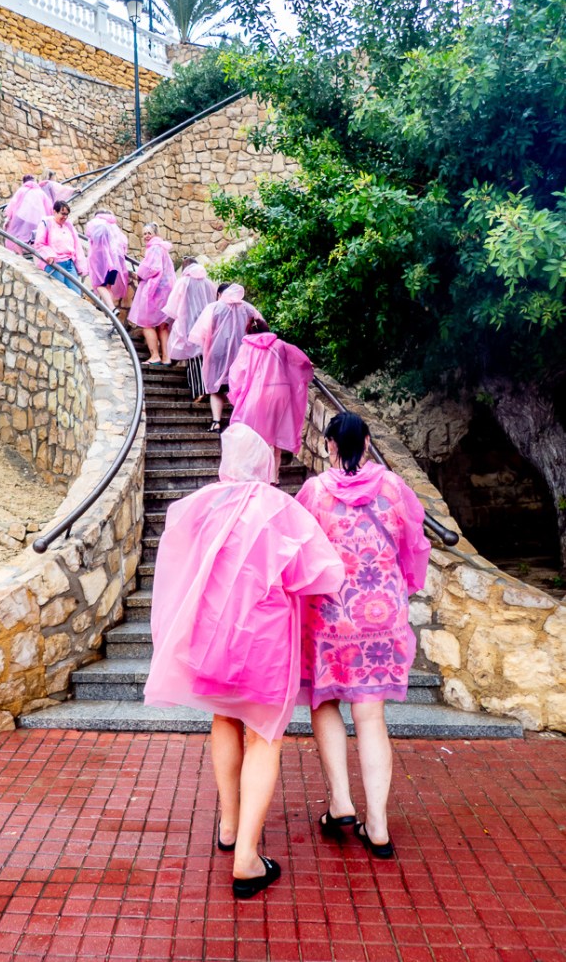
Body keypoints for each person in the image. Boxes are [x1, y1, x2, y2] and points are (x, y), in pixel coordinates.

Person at [144, 423, 345, 899]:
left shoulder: (201, 505)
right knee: (264, 739)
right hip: (265, 642)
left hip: (211, 637)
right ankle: (247, 859)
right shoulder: (278, 508)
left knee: (223, 719)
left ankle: (230, 826)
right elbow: (318, 573)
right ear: (265, 460)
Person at [296, 411, 431, 859]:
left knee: (325, 702)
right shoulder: (394, 487)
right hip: (382, 615)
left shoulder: (315, 492)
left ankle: (340, 804)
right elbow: (415, 545)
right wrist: (399, 587)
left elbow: (299, 551)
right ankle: (377, 825)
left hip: (331, 615)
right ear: (368, 442)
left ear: (330, 446)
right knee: (371, 717)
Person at [228, 319, 314, 481]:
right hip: (281, 392)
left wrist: (237, 394)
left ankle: (257, 476)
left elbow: (237, 374)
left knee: (254, 435)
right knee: (275, 434)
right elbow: (302, 361)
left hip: (257, 393)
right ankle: (273, 478)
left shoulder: (246, 347)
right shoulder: (280, 344)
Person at [188, 282, 261, 433]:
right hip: (242, 354)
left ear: (220, 294)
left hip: (217, 353)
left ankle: (216, 422)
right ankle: (241, 423)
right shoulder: (248, 308)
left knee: (216, 388)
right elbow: (261, 328)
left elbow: (201, 332)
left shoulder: (214, 307)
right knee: (241, 388)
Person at [163, 257, 217, 400]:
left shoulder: (183, 282)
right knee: (204, 354)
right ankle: (209, 387)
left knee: (193, 356)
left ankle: (199, 390)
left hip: (188, 322)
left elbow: (173, 306)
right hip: (207, 322)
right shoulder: (209, 283)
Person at [128, 222, 176, 366]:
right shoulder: (162, 248)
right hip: (166, 291)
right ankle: (166, 357)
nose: (146, 236)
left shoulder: (154, 248)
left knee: (147, 323)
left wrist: (139, 274)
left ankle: (155, 355)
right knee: (162, 325)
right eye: (144, 234)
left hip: (155, 291)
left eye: (149, 233)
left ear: (155, 234)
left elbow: (153, 268)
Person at [33, 200, 88, 293]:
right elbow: (39, 243)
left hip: (69, 262)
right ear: (55, 212)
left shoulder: (68, 225)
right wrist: (49, 255)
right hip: (55, 263)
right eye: (62, 214)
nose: (65, 217)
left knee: (76, 292)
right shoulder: (46, 223)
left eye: (67, 214)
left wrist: (81, 265)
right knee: (61, 292)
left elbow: (77, 245)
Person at [85, 211, 129, 313]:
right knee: (108, 287)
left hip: (101, 259)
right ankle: (111, 313)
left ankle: (112, 309)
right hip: (115, 262)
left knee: (99, 285)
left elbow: (89, 234)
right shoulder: (114, 226)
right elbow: (124, 242)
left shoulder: (96, 222)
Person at [3, 175, 52, 254]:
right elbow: (49, 207)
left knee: (17, 236)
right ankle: (35, 253)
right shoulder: (40, 192)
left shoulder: (21, 190)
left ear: (24, 182)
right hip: (36, 220)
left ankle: (20, 254)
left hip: (20, 217)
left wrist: (7, 218)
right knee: (35, 237)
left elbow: (13, 204)